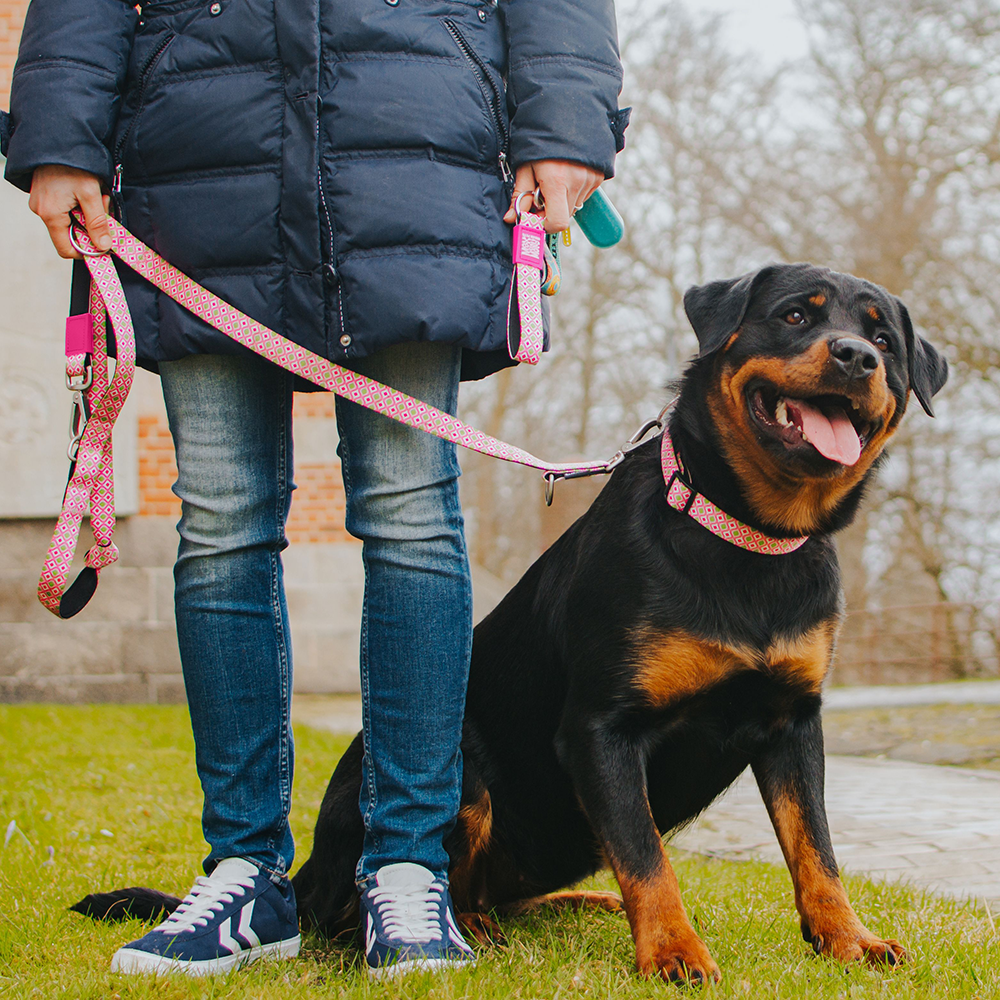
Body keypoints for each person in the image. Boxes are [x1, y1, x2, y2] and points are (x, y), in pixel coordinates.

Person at [3, 0, 627, 978]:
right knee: (219, 522)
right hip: (197, 144)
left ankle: (408, 866)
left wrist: (562, 126)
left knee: (412, 510)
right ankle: (245, 871)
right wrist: (58, 136)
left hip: (414, 133)